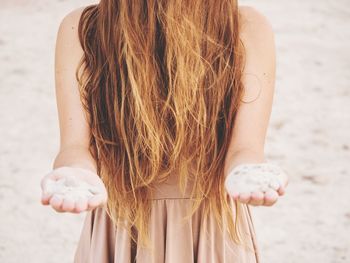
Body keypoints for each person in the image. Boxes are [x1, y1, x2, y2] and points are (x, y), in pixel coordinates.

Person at [40, 1, 288, 262]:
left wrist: (249, 174)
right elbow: (74, 147)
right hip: (123, 228)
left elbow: (246, 148)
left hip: (212, 229)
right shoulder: (80, 28)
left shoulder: (247, 26)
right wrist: (75, 175)